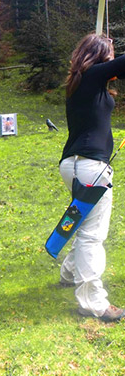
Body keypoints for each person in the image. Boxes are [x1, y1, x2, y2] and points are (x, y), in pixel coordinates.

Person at [59, 33, 125, 322]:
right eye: (108, 54)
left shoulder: (80, 81)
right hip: (90, 166)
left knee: (83, 221)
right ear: (99, 57)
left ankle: (68, 272)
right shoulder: (93, 76)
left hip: (74, 163)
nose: (112, 60)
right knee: (92, 235)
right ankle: (93, 302)